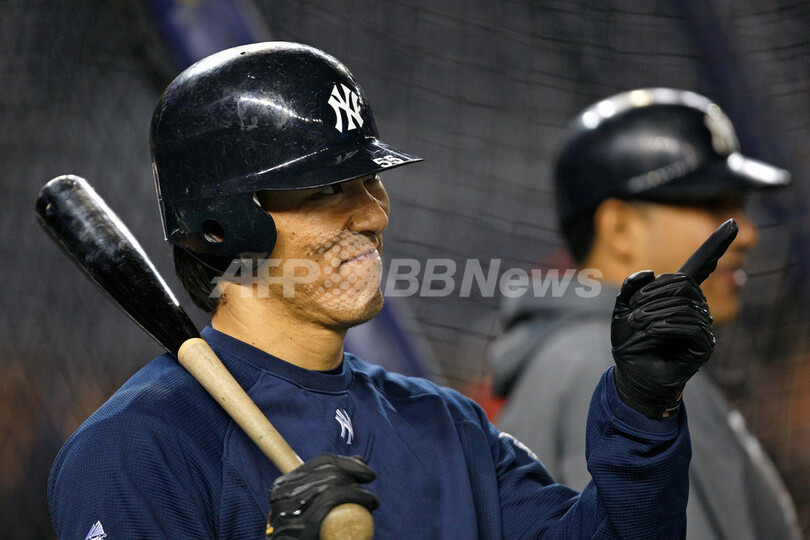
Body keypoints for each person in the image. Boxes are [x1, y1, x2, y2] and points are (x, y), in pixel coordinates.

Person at [49, 45, 715, 539]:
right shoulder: (139, 447)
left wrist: (641, 411)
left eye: (368, 180)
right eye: (326, 190)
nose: (371, 214)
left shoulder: (444, 425)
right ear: (224, 222)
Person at [490, 88, 802, 540]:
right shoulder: (611, 367)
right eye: (713, 204)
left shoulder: (592, 354)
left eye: (741, 206)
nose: (747, 233)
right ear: (619, 228)